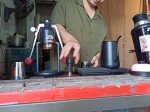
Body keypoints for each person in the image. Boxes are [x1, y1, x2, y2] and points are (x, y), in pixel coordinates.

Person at [50, 0, 107, 69]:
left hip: (89, 75)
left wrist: (98, 56)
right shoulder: (65, 3)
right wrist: (70, 40)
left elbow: (100, 46)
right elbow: (55, 26)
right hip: (62, 74)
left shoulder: (102, 20)